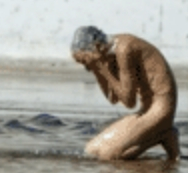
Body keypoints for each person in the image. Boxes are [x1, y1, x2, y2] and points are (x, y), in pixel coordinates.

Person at [71, 26, 180, 161]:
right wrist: (98, 70)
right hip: (146, 110)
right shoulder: (108, 54)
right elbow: (113, 98)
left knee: (108, 155)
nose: (86, 67)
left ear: (97, 47)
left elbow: (129, 101)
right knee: (91, 149)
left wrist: (101, 67)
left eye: (85, 62)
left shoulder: (124, 49)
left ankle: (163, 134)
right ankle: (162, 134)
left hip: (161, 110)